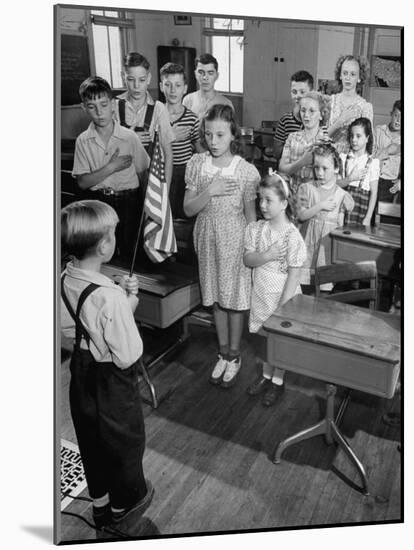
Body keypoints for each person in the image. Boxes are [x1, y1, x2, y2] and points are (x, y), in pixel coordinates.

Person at [60, 200, 154, 528]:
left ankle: (100, 502)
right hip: (111, 382)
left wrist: (120, 299)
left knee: (91, 438)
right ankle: (125, 506)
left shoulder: (64, 278)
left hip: (81, 374)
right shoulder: (109, 297)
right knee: (123, 442)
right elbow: (127, 353)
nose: (115, 237)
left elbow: (73, 327)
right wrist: (130, 303)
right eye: (113, 233)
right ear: (103, 245)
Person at [183, 104, 260, 387]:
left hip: (235, 238)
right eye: (208, 135)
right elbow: (189, 209)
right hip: (206, 236)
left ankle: (235, 355)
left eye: (220, 135)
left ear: (232, 135)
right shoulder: (196, 164)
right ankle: (222, 352)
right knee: (215, 296)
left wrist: (251, 249)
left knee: (234, 299)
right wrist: (210, 191)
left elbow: (251, 215)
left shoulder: (246, 171)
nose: (213, 141)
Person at [244, 171, 307, 406]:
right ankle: (266, 375)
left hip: (282, 297)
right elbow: (248, 259)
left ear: (283, 203)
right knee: (265, 340)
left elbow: (294, 273)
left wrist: (283, 305)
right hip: (261, 293)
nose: (262, 205)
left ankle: (278, 382)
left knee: (279, 341)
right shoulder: (257, 229)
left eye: (268, 200)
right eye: (260, 199)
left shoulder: (292, 237)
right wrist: (266, 255)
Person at [72, 76, 150, 263]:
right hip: (100, 203)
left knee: (132, 253)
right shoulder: (83, 140)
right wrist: (111, 167)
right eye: (92, 106)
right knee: (103, 253)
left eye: (104, 104)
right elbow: (83, 182)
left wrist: (147, 207)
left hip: (130, 201)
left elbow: (143, 173)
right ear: (84, 108)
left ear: (113, 104)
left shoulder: (129, 137)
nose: (99, 112)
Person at [296, 143, 354, 288]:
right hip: (309, 244)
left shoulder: (342, 195)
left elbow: (340, 225)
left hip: (327, 248)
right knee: (306, 287)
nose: (320, 173)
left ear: (336, 168)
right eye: (316, 168)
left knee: (325, 287)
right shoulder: (307, 189)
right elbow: (302, 216)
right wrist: (320, 206)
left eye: (325, 168)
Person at [115, 51, 175, 188]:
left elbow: (168, 155)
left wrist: (164, 192)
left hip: (149, 184)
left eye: (141, 80)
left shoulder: (158, 109)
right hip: (121, 182)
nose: (136, 86)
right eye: (130, 79)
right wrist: (130, 138)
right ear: (123, 77)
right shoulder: (114, 106)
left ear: (148, 79)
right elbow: (105, 149)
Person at [159, 62, 203, 218]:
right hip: (161, 171)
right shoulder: (155, 116)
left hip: (184, 173)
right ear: (160, 86)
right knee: (162, 216)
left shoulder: (192, 119)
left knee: (182, 216)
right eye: (168, 85)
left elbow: (200, 153)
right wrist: (170, 135)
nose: (172, 90)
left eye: (177, 85)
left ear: (185, 88)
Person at [278, 91, 330, 217]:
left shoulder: (326, 142)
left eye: (312, 111)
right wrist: (303, 161)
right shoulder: (292, 138)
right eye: (303, 110)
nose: (306, 115)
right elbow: (282, 168)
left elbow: (328, 178)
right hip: (292, 198)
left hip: (315, 201)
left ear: (321, 115)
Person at [327, 55, 373, 155]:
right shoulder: (330, 102)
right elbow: (321, 137)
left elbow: (367, 142)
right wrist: (340, 121)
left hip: (353, 159)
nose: (348, 78)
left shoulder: (365, 107)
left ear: (359, 78)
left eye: (353, 74)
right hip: (329, 158)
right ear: (340, 75)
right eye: (345, 73)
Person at [338, 117, 379, 226]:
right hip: (342, 207)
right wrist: (350, 178)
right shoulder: (343, 158)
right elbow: (337, 184)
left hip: (361, 207)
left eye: (358, 136)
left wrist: (368, 217)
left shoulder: (372, 162)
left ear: (367, 138)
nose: (354, 139)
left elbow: (374, 193)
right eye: (351, 136)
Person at [273, 70, 314, 162]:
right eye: (294, 92)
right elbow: (276, 153)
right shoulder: (285, 120)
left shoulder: (317, 120)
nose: (297, 96)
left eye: (302, 92)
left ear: (311, 93)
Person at [182, 53, 234, 119]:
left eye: (210, 73)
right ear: (195, 74)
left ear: (217, 75)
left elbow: (230, 128)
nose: (205, 77)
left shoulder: (226, 103)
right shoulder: (188, 100)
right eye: (201, 72)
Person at [374, 99, 401, 204]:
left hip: (390, 183)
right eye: (396, 115)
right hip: (374, 177)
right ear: (391, 114)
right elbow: (370, 151)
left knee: (384, 214)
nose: (399, 120)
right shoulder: (378, 130)